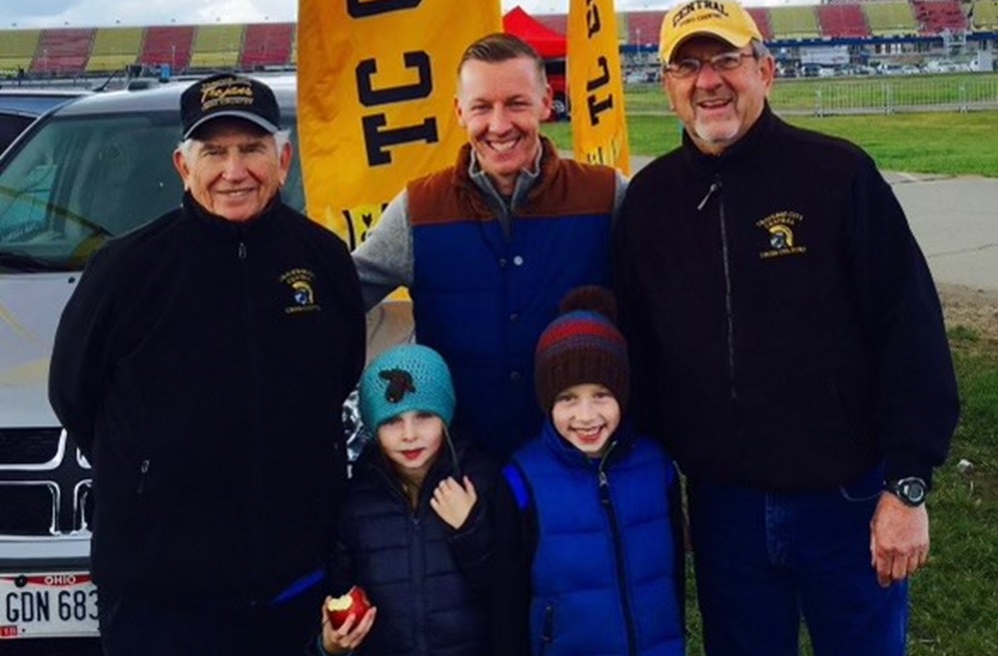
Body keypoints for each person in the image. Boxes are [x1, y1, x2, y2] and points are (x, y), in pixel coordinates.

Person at [613, 0, 960, 656]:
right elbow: (642, 358)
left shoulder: (837, 174)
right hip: (724, 508)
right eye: (687, 65)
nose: (708, 80)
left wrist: (908, 484)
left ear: (765, 71)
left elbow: (910, 329)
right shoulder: (650, 203)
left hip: (850, 498)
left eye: (725, 60)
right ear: (666, 85)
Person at [48, 73, 367, 656]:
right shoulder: (124, 271)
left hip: (293, 588)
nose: (234, 170)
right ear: (182, 164)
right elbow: (72, 394)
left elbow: (341, 372)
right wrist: (151, 471)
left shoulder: (322, 261)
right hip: (159, 600)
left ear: (284, 158)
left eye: (251, 149)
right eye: (213, 151)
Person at [353, 33, 628, 462]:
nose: (499, 125)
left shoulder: (605, 195)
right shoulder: (419, 207)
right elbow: (340, 295)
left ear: (546, 103)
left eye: (516, 103)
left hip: (582, 469)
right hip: (464, 471)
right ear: (460, 112)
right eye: (482, 107)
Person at [491, 287, 684, 656]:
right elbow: (508, 598)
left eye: (601, 394)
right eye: (568, 398)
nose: (586, 416)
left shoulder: (657, 467)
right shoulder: (521, 480)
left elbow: (671, 577)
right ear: (547, 401)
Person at [314, 344, 495, 656]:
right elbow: (337, 592)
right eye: (392, 421)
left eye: (424, 415)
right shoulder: (357, 503)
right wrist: (330, 646)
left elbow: (508, 593)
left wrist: (470, 531)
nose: (409, 434)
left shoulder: (480, 483)